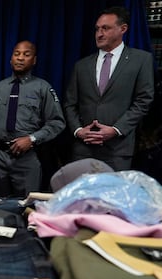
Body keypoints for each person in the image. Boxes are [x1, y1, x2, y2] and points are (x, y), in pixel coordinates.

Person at [64, 6, 155, 171]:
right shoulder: (81, 65)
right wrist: (78, 130)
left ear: (123, 29)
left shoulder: (141, 60)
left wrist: (116, 129)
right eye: (97, 29)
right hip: (83, 150)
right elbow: (70, 104)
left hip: (118, 149)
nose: (99, 33)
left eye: (105, 28)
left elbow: (143, 100)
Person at [0, 40, 65, 197]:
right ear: (10, 59)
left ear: (34, 60)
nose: (20, 58)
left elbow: (57, 122)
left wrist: (32, 139)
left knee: (27, 206)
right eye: (16, 54)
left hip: (27, 159)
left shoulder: (43, 88)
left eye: (26, 54)